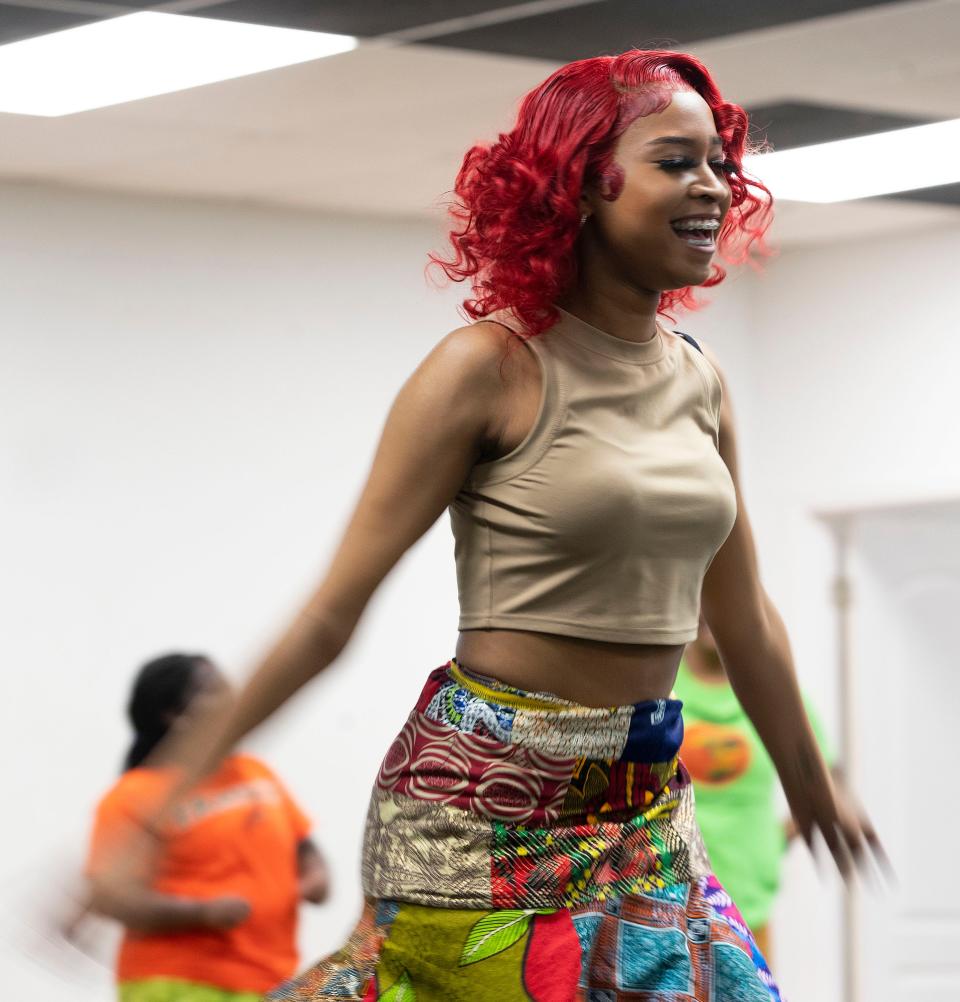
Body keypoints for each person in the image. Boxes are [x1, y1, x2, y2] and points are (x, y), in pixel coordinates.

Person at [97, 50, 882, 1001]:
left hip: (642, 807)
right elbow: (329, 616)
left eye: (720, 162)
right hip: (482, 803)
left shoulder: (700, 379)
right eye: (677, 161)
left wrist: (811, 781)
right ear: (581, 183)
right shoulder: (486, 368)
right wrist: (168, 793)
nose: (713, 186)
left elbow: (744, 611)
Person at [85, 653, 329, 1002]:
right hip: (173, 981)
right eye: (212, 691)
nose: (232, 699)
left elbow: (302, 842)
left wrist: (315, 875)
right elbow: (112, 897)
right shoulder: (133, 796)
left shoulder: (253, 771)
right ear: (173, 715)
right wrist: (202, 913)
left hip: (270, 981)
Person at [675, 617, 836, 962]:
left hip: (748, 899)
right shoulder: (661, 687)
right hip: (668, 896)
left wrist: (775, 839)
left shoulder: (773, 695)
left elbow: (827, 783)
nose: (710, 614)